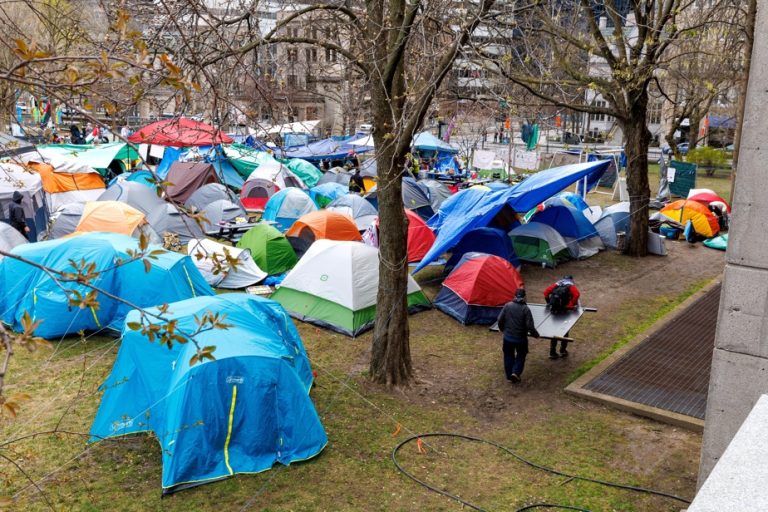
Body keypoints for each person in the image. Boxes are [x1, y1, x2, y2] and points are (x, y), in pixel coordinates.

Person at [496, 288, 540, 383]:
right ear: (524, 297)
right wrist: (536, 335)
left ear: (514, 296)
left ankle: (509, 376)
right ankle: (515, 372)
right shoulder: (525, 309)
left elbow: (499, 319)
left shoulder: (507, 306)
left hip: (507, 338)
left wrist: (502, 329)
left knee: (508, 355)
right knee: (521, 354)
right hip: (520, 339)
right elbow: (530, 326)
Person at [543, 275, 581, 359]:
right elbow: (577, 295)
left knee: (554, 331)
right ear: (571, 279)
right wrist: (571, 305)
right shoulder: (571, 286)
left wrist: (549, 303)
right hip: (565, 311)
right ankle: (562, 351)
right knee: (565, 331)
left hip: (554, 311)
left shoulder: (557, 284)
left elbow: (545, 293)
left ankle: (552, 352)